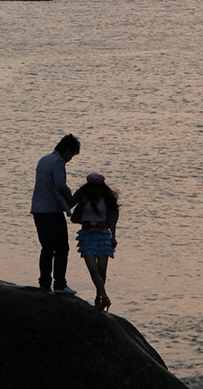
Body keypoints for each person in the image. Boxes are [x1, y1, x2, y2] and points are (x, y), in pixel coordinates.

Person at [30, 133, 80, 293]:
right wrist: (70, 197)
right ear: (66, 150)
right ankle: (60, 284)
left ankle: (44, 283)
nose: (70, 159)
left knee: (46, 248)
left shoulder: (43, 160)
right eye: (71, 155)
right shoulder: (58, 162)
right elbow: (60, 185)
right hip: (52, 210)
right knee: (62, 248)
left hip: (38, 209)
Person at [71, 172, 120, 311]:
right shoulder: (83, 198)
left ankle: (99, 296)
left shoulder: (108, 199)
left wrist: (113, 237)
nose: (96, 190)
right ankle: (105, 296)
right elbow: (71, 208)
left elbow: (113, 220)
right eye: (93, 187)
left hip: (103, 235)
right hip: (87, 235)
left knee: (102, 269)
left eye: (98, 187)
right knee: (93, 268)